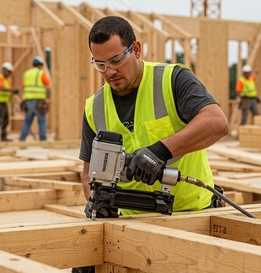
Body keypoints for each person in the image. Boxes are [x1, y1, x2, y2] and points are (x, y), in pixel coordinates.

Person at [74, 15, 229, 273]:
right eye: (99, 64)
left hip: (191, 217)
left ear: (136, 49)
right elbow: (88, 170)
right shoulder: (95, 107)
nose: (109, 72)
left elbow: (216, 123)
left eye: (115, 60)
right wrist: (96, 203)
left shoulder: (172, 80)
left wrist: (161, 152)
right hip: (132, 227)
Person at [19, 56, 52, 141]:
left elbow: (23, 86)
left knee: (27, 121)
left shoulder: (26, 73)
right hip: (38, 101)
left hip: (27, 101)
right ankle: (43, 139)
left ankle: (22, 139)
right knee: (41, 121)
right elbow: (48, 85)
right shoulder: (41, 73)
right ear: (40, 65)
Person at [0, 62, 19, 142]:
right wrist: (12, 90)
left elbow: (7, 91)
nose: (9, 74)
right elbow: (2, 88)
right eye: (8, 72)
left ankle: (3, 137)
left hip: (4, 102)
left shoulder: (6, 80)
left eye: (10, 73)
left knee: (6, 120)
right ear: (4, 70)